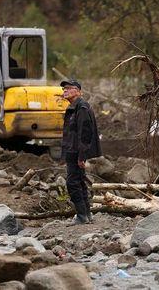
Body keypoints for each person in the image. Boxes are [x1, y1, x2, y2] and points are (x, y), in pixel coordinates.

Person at [60, 79, 101, 224]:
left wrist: (82, 156)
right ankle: (87, 214)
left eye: (68, 88)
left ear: (78, 91)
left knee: (72, 183)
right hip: (72, 152)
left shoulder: (82, 108)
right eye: (64, 89)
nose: (65, 91)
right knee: (80, 182)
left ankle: (82, 215)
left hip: (77, 152)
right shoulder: (72, 108)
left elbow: (85, 133)